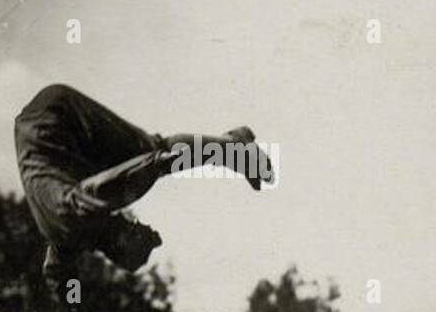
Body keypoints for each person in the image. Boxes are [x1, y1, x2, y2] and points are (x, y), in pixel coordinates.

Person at [14, 84, 273, 288]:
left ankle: (233, 145)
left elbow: (137, 171)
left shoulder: (84, 210)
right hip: (42, 132)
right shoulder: (65, 241)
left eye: (135, 228)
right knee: (128, 158)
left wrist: (165, 161)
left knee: (150, 149)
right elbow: (55, 275)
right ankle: (228, 149)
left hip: (58, 116)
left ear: (119, 238)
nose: (133, 220)